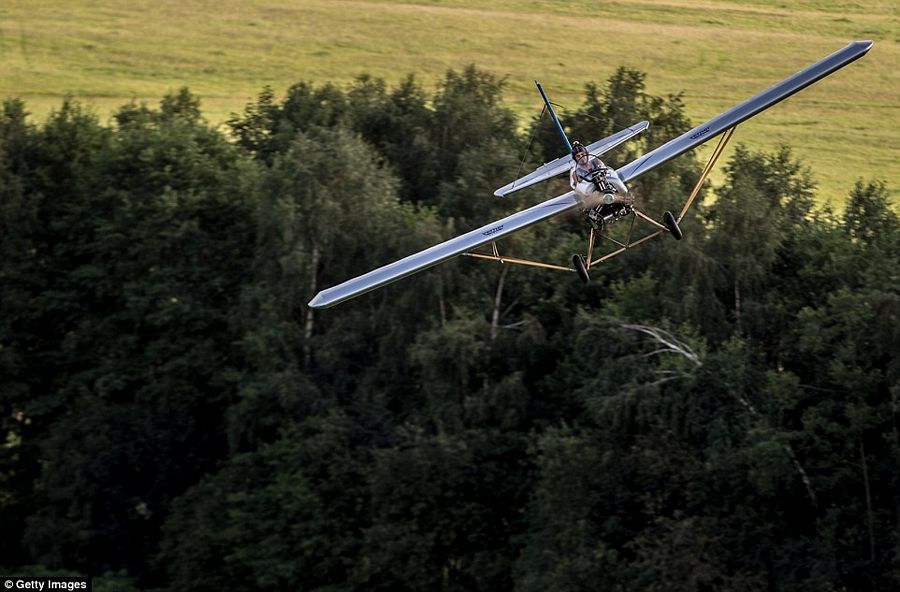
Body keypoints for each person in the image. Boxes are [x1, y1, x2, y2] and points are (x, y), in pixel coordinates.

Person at [569, 141, 632, 205]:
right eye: (578, 156)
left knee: (613, 179)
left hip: (602, 182)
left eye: (583, 154)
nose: (581, 157)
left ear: (587, 154)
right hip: (591, 189)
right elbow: (579, 187)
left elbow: (605, 169)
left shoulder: (595, 161)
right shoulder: (575, 172)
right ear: (575, 159)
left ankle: (623, 196)